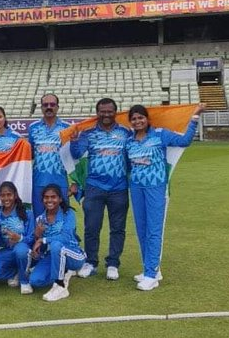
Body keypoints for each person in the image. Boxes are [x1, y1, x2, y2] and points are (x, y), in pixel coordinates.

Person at [126, 103, 205, 291]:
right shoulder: (129, 141)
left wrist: (194, 118)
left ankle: (151, 275)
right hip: (136, 188)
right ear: (130, 122)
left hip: (156, 188)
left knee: (153, 230)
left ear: (147, 119)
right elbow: (128, 166)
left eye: (140, 117)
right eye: (134, 119)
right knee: (141, 229)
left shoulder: (160, 134)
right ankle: (151, 268)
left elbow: (184, 141)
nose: (138, 121)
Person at [71, 98, 131, 281]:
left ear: (115, 112)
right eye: (102, 111)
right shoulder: (88, 134)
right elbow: (76, 154)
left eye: (109, 111)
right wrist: (74, 141)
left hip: (119, 188)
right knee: (91, 227)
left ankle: (113, 264)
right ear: (97, 113)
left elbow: (132, 156)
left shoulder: (125, 133)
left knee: (118, 228)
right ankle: (91, 262)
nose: (106, 114)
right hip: (94, 187)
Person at [29, 184, 86, 302]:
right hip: (52, 256)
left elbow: (66, 237)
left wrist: (43, 239)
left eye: (53, 197)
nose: (49, 200)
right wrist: (37, 236)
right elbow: (40, 246)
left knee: (56, 245)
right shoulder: (40, 219)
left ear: (60, 199)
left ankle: (60, 286)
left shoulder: (68, 214)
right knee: (35, 281)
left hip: (73, 254)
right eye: (46, 197)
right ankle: (64, 273)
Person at [28, 94, 71, 219]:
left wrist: (75, 183)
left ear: (57, 107)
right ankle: (40, 240)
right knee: (39, 219)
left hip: (60, 181)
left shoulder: (66, 128)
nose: (49, 107)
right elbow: (28, 154)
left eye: (52, 104)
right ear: (41, 107)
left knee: (61, 218)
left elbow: (74, 158)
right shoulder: (33, 128)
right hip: (38, 182)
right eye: (45, 105)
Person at [0, 182, 35, 294]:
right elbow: (0, 243)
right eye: (3, 195)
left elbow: (32, 238)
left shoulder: (27, 213)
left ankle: (24, 282)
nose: (6, 198)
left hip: (23, 249)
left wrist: (19, 238)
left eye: (9, 194)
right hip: (8, 251)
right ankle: (16, 271)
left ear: (15, 195)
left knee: (20, 250)